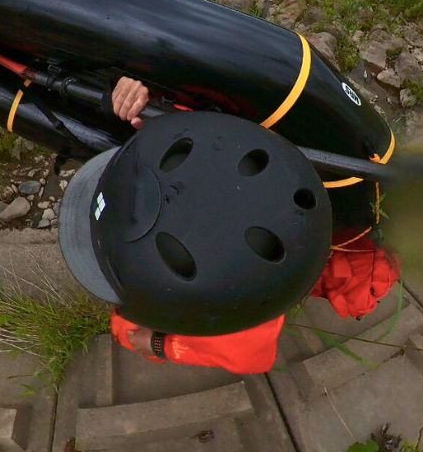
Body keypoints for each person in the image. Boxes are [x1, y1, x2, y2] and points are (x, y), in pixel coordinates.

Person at [79, 78, 400, 372]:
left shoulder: (240, 283)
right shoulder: (224, 140)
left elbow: (252, 357)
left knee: (132, 326)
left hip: (288, 249)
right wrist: (140, 93)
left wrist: (159, 344)